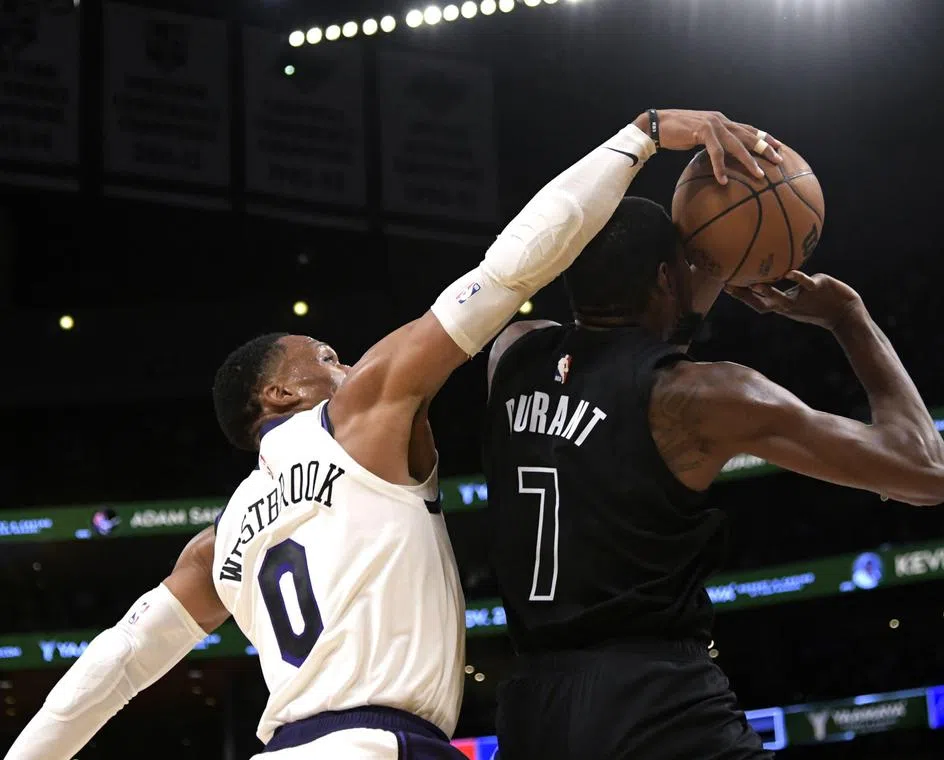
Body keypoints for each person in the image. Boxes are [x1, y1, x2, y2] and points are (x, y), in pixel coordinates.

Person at [3, 109, 774, 760]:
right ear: (276, 392)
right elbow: (509, 271)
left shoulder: (218, 543)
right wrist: (639, 136)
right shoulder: (361, 417)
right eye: (327, 358)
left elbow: (119, 661)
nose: (346, 366)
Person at [483, 196, 944, 760]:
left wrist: (694, 269)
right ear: (663, 277)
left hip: (533, 711)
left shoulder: (511, 354)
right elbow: (925, 471)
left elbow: (622, 362)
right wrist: (848, 318)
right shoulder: (703, 396)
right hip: (654, 704)